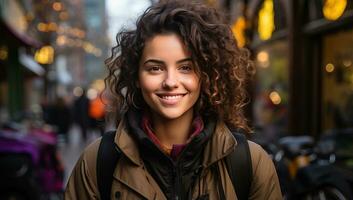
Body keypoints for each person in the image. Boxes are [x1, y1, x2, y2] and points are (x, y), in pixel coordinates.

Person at [65, 1, 282, 199]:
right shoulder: (99, 162)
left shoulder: (250, 164)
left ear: (205, 75)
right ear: (136, 77)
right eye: (155, 68)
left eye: (186, 68)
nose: (170, 81)